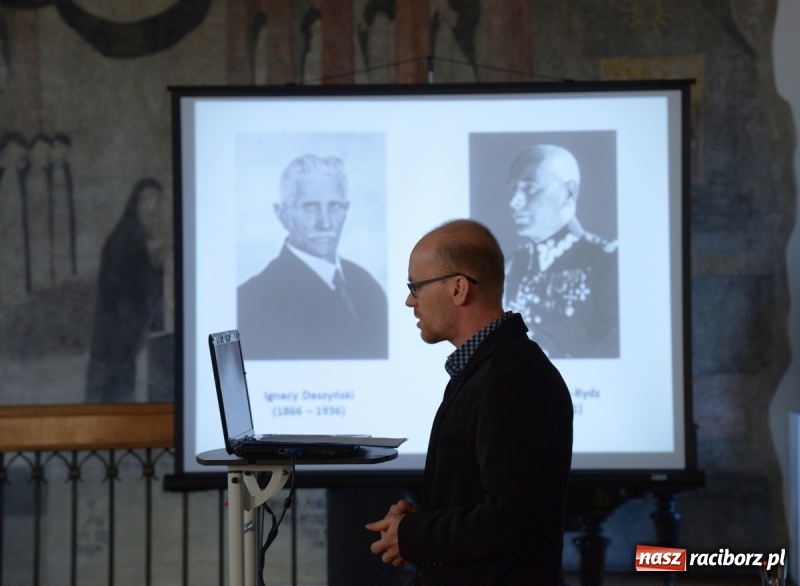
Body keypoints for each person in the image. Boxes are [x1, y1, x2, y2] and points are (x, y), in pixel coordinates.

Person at [366, 219, 573, 585]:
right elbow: (486, 499)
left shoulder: (514, 377)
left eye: (415, 286)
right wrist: (419, 520)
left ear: (459, 288)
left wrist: (414, 533)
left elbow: (511, 520)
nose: (409, 300)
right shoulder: (488, 368)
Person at [237, 154, 388, 359]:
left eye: (334, 206)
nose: (325, 223)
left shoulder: (368, 287)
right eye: (310, 207)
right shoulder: (253, 300)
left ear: (346, 210)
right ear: (282, 215)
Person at [503, 144, 619, 358]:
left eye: (530, 188)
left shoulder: (608, 261)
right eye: (513, 189)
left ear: (569, 193)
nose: (514, 202)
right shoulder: (512, 265)